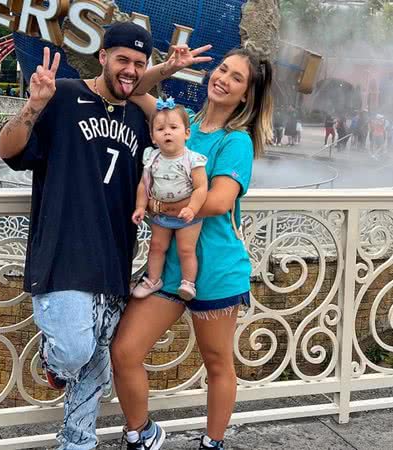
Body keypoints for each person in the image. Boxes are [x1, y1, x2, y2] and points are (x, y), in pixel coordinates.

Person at [0, 23, 208, 450]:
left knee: (94, 370)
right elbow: (7, 149)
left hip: (113, 259)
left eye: (139, 63)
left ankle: (77, 443)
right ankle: (52, 362)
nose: (130, 70)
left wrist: (164, 70)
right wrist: (34, 105)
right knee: (74, 351)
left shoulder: (142, 118)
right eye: (122, 59)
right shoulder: (64, 95)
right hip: (62, 255)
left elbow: (174, 141)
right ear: (103, 55)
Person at [113, 47, 274, 450]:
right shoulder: (178, 123)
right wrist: (166, 68)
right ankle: (141, 431)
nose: (224, 79)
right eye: (222, 69)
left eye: (237, 78)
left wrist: (154, 206)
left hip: (216, 270)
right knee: (125, 350)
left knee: (217, 363)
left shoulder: (236, 141)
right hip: (167, 271)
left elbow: (218, 201)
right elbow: (133, 92)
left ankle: (212, 442)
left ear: (245, 96)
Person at [132, 98, 208, 301]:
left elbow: (201, 188)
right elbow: (143, 184)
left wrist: (192, 208)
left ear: (186, 133)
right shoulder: (152, 157)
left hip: (187, 216)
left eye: (174, 127)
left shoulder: (193, 159)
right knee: (156, 246)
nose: (167, 132)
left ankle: (188, 283)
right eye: (160, 129)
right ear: (153, 137)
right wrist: (140, 207)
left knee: (186, 249)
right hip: (159, 214)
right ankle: (153, 279)